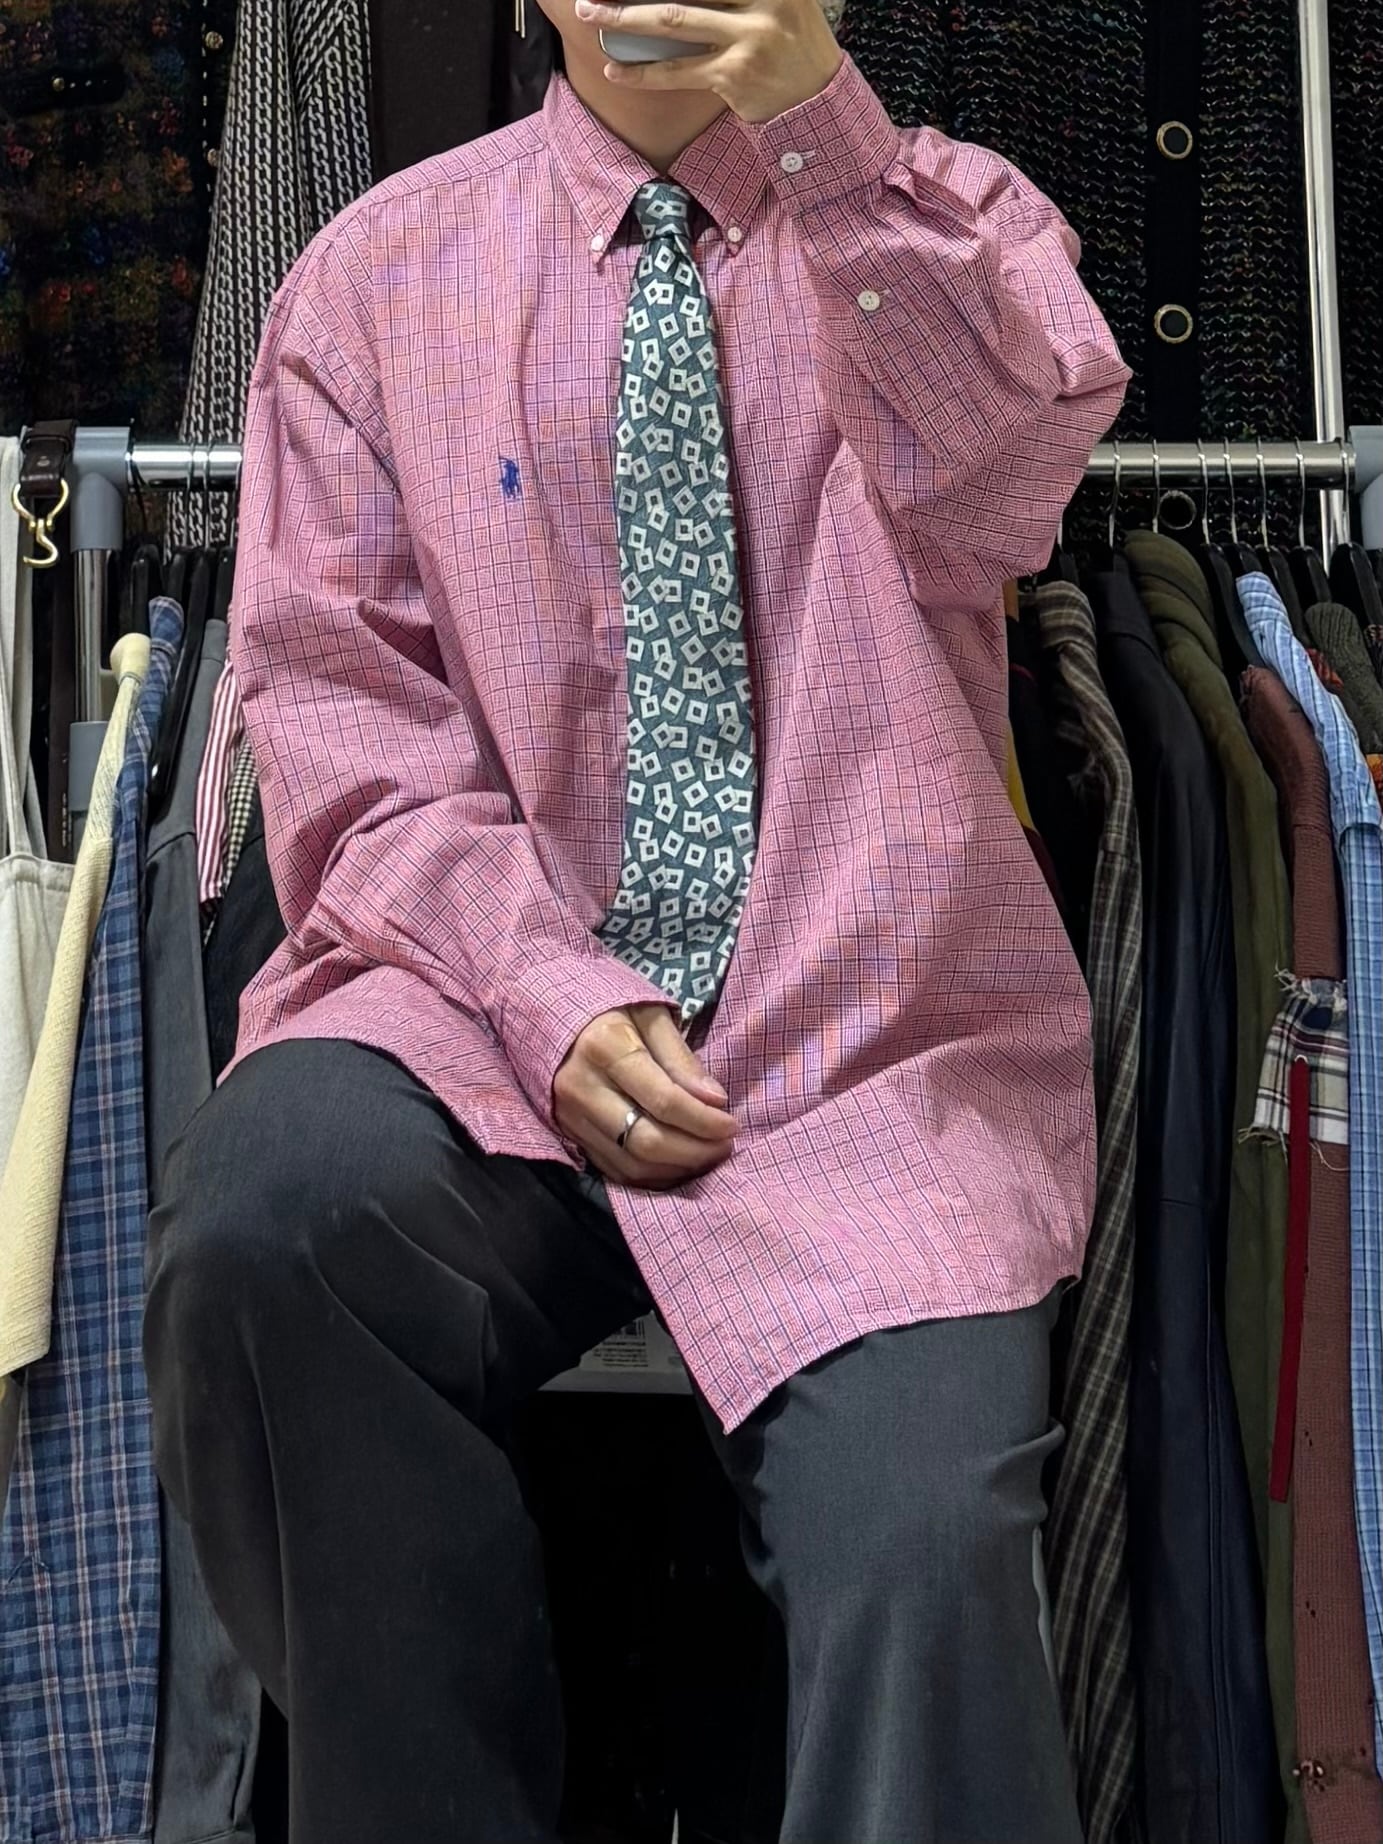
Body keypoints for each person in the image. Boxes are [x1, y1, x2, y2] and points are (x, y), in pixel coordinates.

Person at [144, 1, 1129, 1838]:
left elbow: (1006, 488)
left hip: (864, 1058)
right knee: (268, 1213)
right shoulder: (375, 278)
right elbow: (346, 722)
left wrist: (821, 132)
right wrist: (546, 989)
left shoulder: (958, 226)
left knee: (925, 1541)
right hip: (478, 1033)